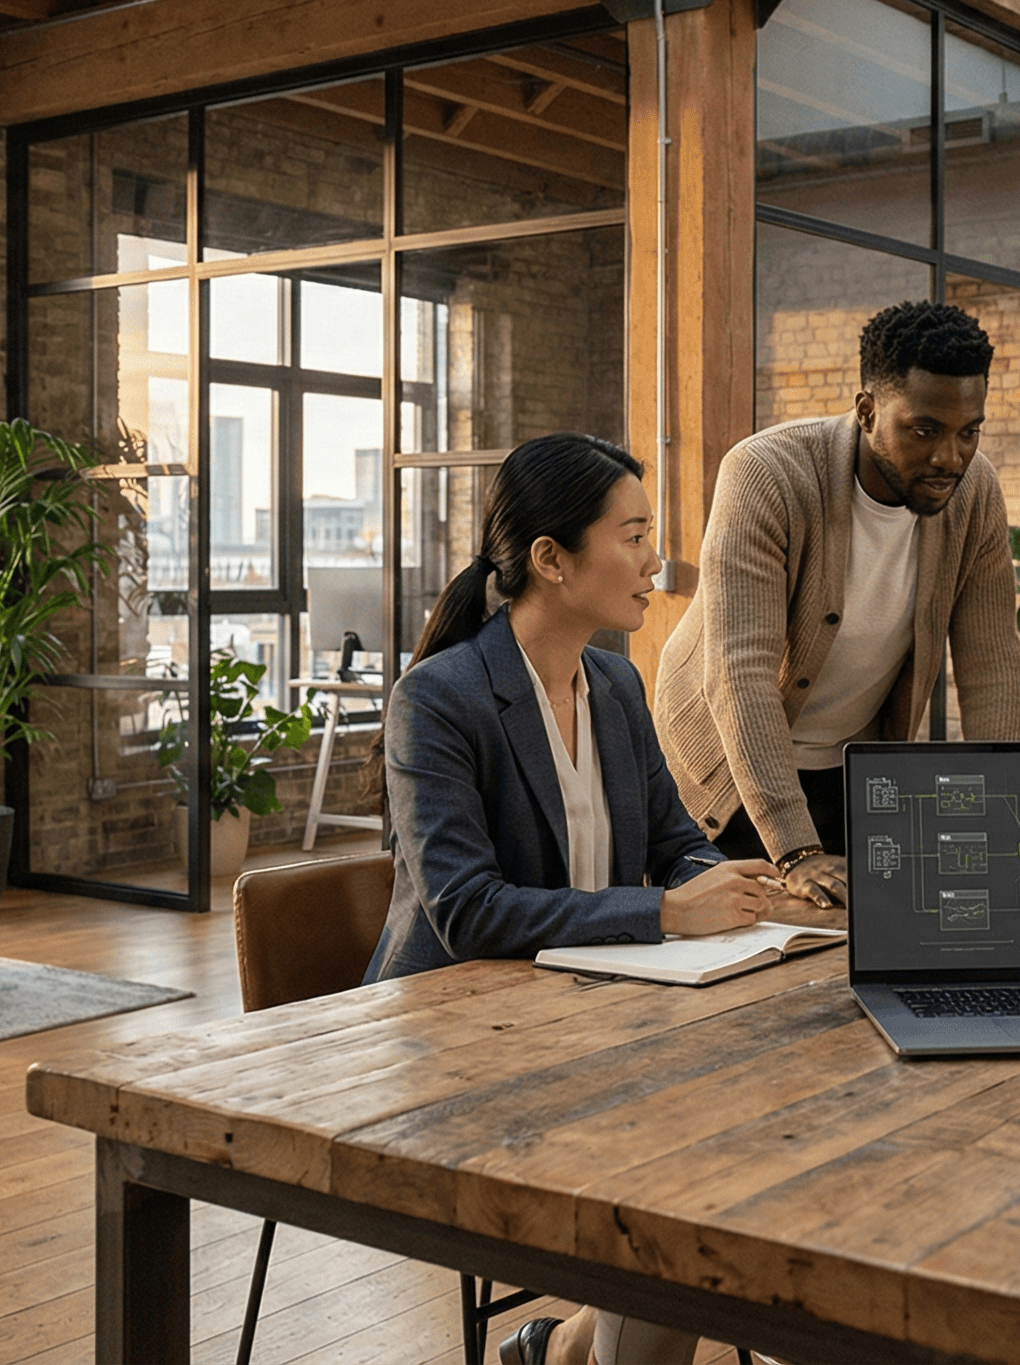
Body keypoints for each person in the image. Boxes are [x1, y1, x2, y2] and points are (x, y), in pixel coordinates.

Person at [364, 433, 775, 1365]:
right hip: (455, 1048)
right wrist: (668, 916)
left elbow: (673, 845)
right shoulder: (437, 700)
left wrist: (741, 889)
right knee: (695, 1171)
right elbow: (466, 911)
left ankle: (563, 1350)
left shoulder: (619, 683)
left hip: (588, 1022)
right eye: (633, 536)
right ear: (550, 560)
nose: (655, 560)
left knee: (747, 1140)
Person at [655, 300, 1020, 909]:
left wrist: (1012, 819)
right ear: (866, 410)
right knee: (754, 941)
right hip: (728, 765)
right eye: (924, 430)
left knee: (858, 935)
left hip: (849, 761)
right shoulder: (765, 473)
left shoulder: (974, 492)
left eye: (969, 432)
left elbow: (992, 669)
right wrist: (796, 849)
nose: (950, 457)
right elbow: (739, 673)